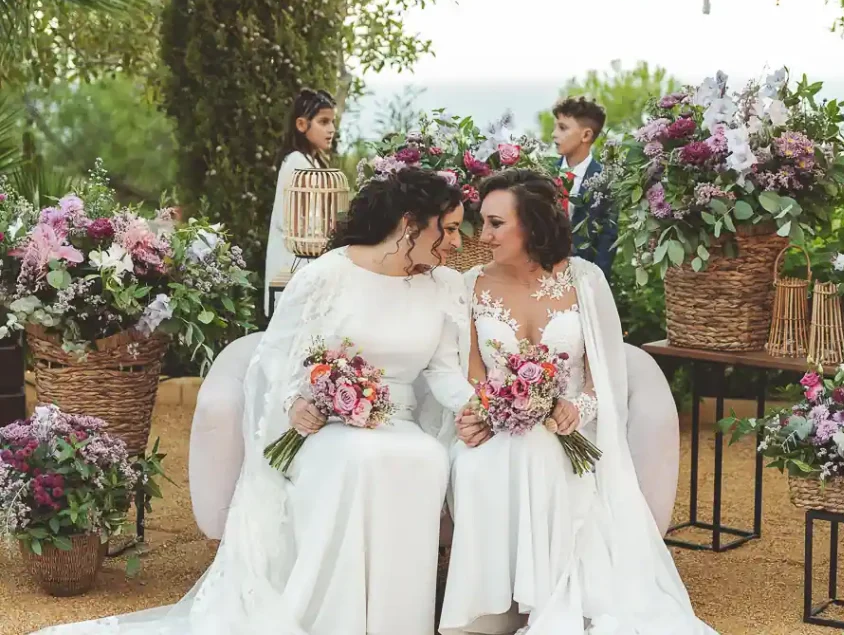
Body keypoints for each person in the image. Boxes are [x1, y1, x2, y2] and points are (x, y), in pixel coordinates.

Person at [33, 168, 476, 635]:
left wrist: (478, 406)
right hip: (327, 425)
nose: (456, 243)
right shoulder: (327, 275)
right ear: (410, 223)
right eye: (447, 229)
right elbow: (278, 358)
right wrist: (295, 404)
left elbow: (444, 370)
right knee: (358, 459)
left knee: (426, 457)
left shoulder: (443, 285)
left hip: (400, 422)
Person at [440, 169, 716, 635]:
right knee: (482, 461)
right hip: (496, 425)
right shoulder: (470, 285)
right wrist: (482, 412)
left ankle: (546, 601)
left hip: (570, 430)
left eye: (494, 224)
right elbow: (473, 373)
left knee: (541, 453)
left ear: (531, 225)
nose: (481, 235)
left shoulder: (585, 280)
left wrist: (576, 410)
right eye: (480, 222)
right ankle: (492, 604)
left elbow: (604, 376)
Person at [265, 88, 337, 317]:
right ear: (301, 124)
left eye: (332, 122)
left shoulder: (311, 162)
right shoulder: (298, 162)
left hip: (305, 261)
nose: (331, 129)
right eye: (324, 122)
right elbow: (296, 223)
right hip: (293, 263)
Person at [552, 96, 617, 281]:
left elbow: (607, 239)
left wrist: (596, 286)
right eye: (555, 126)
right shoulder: (545, 172)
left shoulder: (605, 181)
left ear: (586, 135)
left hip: (583, 280)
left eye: (562, 127)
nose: (554, 134)